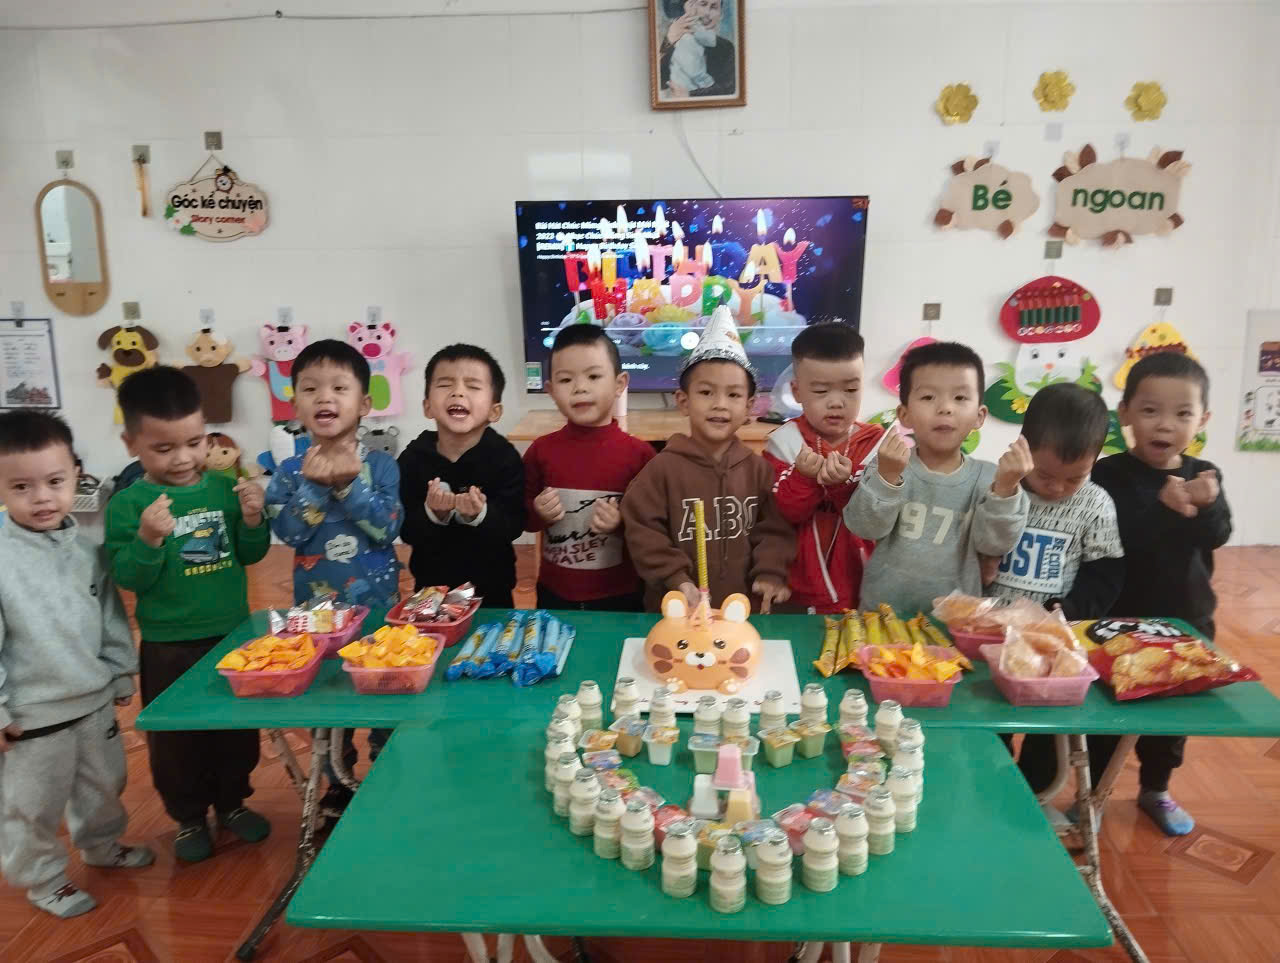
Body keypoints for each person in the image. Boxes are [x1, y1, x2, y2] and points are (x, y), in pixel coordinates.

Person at [105, 367, 271, 864]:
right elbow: (129, 578)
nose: (182, 459)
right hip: (168, 645)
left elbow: (251, 553)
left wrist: (253, 518)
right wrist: (147, 538)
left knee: (235, 732)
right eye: (163, 448)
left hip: (231, 638)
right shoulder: (128, 504)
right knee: (176, 740)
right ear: (131, 443)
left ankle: (233, 804)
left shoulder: (223, 488)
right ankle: (189, 817)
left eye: (195, 443)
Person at [0, 411, 152, 918]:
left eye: (55, 481)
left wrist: (120, 669)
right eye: (21, 487)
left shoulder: (89, 550)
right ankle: (44, 879)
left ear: (77, 476)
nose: (42, 497)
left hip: (93, 700)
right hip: (31, 716)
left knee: (104, 784)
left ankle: (102, 845)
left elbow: (110, 615)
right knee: (32, 805)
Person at [1088, 353, 1231, 836]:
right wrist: (1162, 508)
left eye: (1182, 413)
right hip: (1119, 619)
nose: (1165, 424)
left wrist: (1208, 506)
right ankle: (1093, 794)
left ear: (1202, 419)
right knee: (1109, 713)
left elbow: (1217, 535)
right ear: (1125, 413)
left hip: (1186, 618)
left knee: (1171, 716)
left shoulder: (1205, 474)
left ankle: (1156, 788)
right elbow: (1114, 540)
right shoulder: (1109, 474)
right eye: (1150, 410)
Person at [264, 340, 403, 820]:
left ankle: (388, 776)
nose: (325, 397)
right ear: (295, 404)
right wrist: (316, 485)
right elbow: (289, 532)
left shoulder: (381, 466)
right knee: (328, 701)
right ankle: (336, 784)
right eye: (311, 389)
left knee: (385, 690)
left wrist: (347, 483)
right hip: (316, 615)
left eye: (339, 388)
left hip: (380, 608)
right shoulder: (287, 472)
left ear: (364, 403)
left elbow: (387, 527)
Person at [983, 384, 1124, 809]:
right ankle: (991, 789)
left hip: (1051, 643)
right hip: (989, 636)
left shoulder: (1096, 504)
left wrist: (1071, 610)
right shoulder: (1000, 486)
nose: (1058, 487)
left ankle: (1031, 799)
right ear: (1022, 448)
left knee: (1046, 731)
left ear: (1094, 460)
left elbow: (1106, 574)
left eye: (1074, 477)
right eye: (1045, 475)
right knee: (990, 723)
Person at [622, 307, 794, 613]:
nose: (719, 404)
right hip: (679, 611)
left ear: (749, 407)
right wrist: (675, 578)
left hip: (741, 611)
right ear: (683, 401)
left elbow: (775, 529)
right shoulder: (662, 469)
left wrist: (770, 573)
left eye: (733, 395)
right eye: (706, 392)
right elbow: (642, 529)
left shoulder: (759, 471)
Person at [844, 341, 1032, 615]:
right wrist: (887, 478)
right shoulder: (889, 466)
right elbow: (864, 528)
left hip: (955, 620)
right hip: (883, 615)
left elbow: (994, 545)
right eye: (928, 397)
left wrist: (1005, 489)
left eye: (960, 398)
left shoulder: (990, 478)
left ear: (979, 416)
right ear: (904, 414)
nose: (945, 408)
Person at [525, 326, 654, 611]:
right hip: (554, 592)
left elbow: (653, 528)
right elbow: (523, 518)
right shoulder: (540, 450)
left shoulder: (640, 455)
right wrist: (537, 512)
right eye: (565, 379)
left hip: (620, 595)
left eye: (593, 376)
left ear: (620, 384)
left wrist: (622, 523)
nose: (580, 387)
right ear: (551, 390)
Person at [764, 322, 883, 613]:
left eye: (851, 389)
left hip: (862, 584)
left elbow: (876, 518)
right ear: (797, 391)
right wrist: (804, 478)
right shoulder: (784, 442)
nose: (836, 402)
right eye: (820, 390)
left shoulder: (877, 444)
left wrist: (844, 486)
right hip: (799, 588)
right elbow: (781, 515)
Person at [399, 344, 526, 607]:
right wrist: (434, 514)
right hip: (430, 590)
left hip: (492, 590)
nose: (458, 392)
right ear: (427, 407)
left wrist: (479, 515)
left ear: (494, 411)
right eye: (445, 384)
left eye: (473, 386)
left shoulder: (504, 457)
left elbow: (514, 525)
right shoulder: (413, 458)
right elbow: (406, 530)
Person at [658, 0, 737, 99]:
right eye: (703, 4)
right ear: (691, 6)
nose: (707, 12)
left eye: (714, 7)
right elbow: (659, 81)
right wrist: (669, 41)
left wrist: (690, 95)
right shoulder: (676, 39)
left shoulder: (726, 47)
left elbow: (729, 88)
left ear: (721, 14)